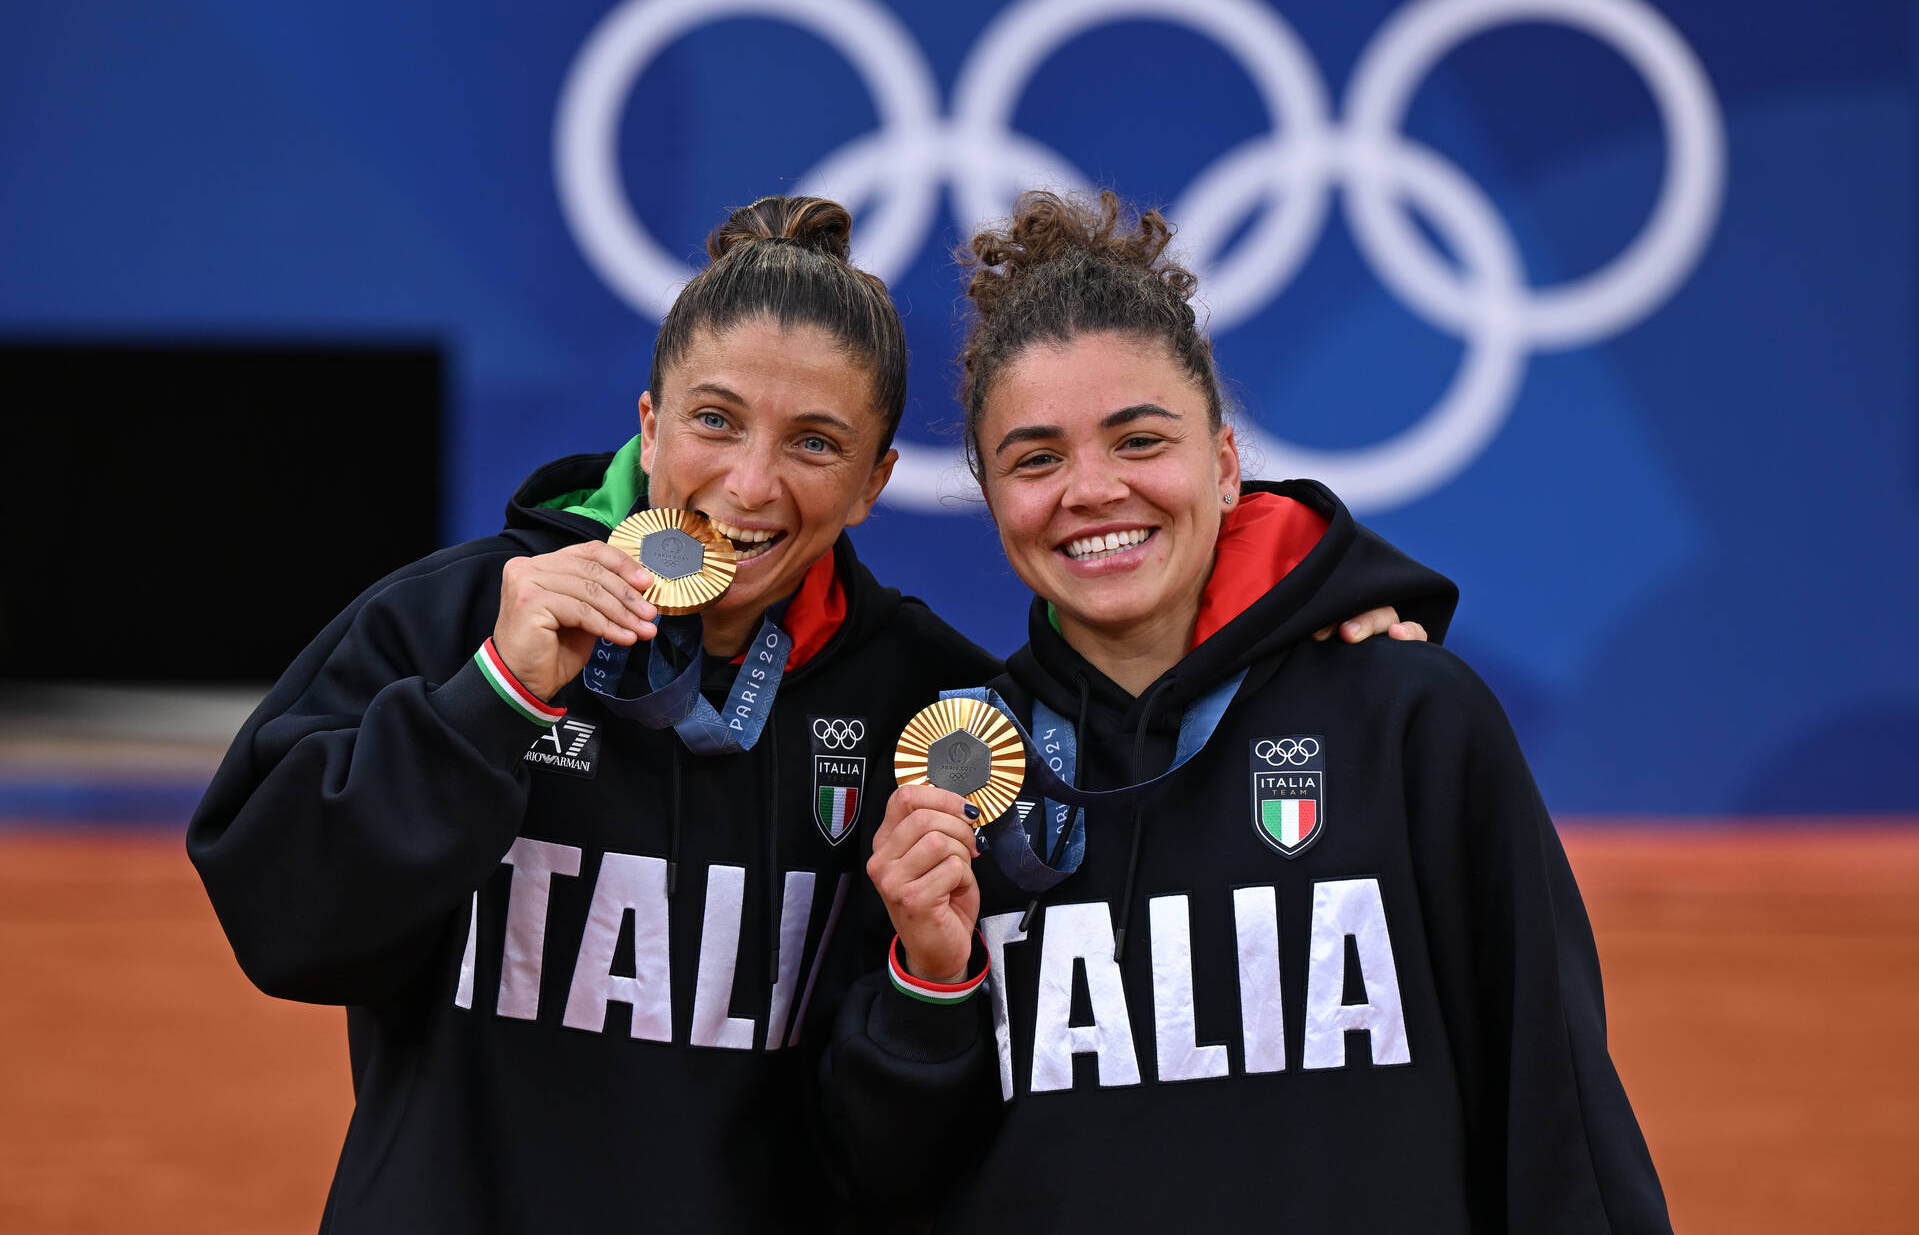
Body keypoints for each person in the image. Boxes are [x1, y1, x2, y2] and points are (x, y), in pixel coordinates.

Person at [187, 191, 1432, 1232]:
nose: (747, 483)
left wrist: (1308, 614)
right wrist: (491, 699)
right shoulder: (467, 615)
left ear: (880, 478)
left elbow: (949, 1111)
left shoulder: (932, 710)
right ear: (649, 421)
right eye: (714, 421)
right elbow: (289, 925)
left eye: (816, 442)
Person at [840, 191, 1672, 1233]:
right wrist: (927, 975)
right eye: (1036, 457)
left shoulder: (1407, 718)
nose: (1091, 489)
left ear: (1224, 463)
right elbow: (880, 1179)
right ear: (989, 490)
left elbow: (1555, 1114)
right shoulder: (959, 771)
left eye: (1139, 440)